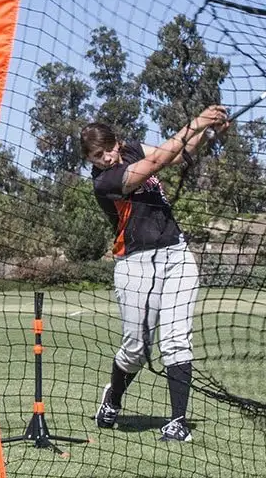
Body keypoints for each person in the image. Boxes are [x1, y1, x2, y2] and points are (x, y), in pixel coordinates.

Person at [81, 104, 229, 441]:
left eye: (107, 150)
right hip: (135, 262)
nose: (103, 158)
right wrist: (197, 121)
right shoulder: (104, 182)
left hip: (176, 253)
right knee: (136, 349)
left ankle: (177, 422)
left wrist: (205, 135)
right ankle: (113, 398)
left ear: (117, 143)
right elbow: (157, 161)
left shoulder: (131, 148)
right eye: (95, 157)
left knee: (177, 340)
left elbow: (177, 156)